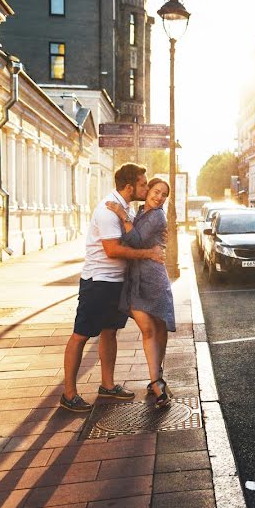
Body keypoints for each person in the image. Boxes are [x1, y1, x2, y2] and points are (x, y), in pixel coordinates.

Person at [61, 163, 165, 412]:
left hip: (116, 282)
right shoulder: (108, 210)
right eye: (143, 183)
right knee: (81, 335)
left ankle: (107, 386)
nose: (146, 187)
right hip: (99, 281)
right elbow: (112, 250)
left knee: (110, 332)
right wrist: (148, 253)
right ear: (130, 187)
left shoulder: (125, 208)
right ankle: (69, 394)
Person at [106, 177, 176, 408]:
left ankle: (157, 378)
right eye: (156, 191)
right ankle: (157, 380)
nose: (159, 197)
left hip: (153, 279)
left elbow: (134, 240)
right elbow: (134, 240)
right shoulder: (140, 210)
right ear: (147, 191)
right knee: (149, 329)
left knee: (158, 326)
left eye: (164, 194)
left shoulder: (157, 216)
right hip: (136, 279)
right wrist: (126, 216)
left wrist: (122, 216)